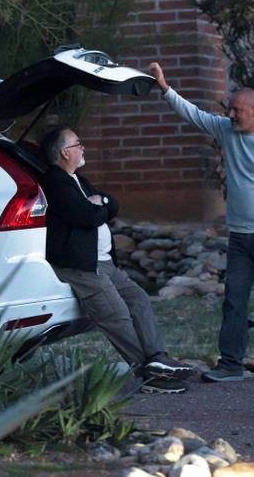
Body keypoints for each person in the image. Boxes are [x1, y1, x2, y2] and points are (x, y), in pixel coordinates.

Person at [148, 62, 254, 383]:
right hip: (241, 237)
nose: (231, 115)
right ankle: (231, 363)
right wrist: (165, 89)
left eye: (238, 111)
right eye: (229, 109)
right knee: (234, 300)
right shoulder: (226, 130)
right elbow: (194, 115)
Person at [38, 126, 193, 394]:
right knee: (115, 314)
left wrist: (101, 203)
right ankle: (149, 373)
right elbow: (88, 216)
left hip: (105, 263)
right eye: (78, 143)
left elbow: (113, 205)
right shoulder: (55, 182)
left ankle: (158, 358)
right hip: (82, 267)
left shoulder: (79, 180)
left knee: (139, 299)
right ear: (64, 152)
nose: (82, 147)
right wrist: (98, 207)